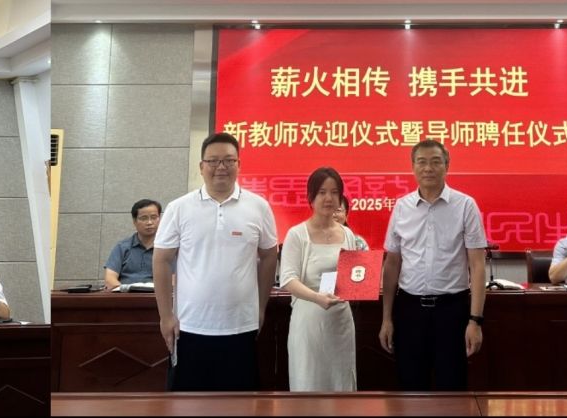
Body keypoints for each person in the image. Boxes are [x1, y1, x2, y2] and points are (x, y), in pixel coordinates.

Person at [152, 132, 279, 391]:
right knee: (189, 404)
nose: (221, 167)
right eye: (213, 161)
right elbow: (161, 260)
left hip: (241, 326)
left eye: (229, 160)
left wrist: (260, 307)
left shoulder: (259, 207)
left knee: (240, 403)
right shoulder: (179, 208)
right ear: (201, 166)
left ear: (239, 164)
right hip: (189, 327)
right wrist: (165, 316)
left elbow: (269, 255)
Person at [379, 139, 489, 391]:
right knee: (410, 386)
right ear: (413, 167)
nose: (428, 168)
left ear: (447, 166)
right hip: (409, 310)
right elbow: (392, 263)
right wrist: (386, 318)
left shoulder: (465, 205)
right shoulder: (402, 207)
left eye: (435, 161)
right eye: (422, 162)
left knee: (452, 387)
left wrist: (475, 321)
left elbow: (477, 265)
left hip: (451, 311)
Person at [278, 167, 366, 392]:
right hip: (309, 322)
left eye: (334, 192)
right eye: (322, 192)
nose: (329, 198)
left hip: (340, 322)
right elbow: (288, 279)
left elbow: (354, 275)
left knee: (341, 385)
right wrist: (317, 297)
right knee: (309, 383)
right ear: (311, 197)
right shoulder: (297, 234)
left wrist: (364, 283)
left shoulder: (347, 234)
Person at [104, 199, 162, 289]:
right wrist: (126, 293)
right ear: (134, 221)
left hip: (157, 295)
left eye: (154, 217)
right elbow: (110, 280)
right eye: (144, 218)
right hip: (126, 295)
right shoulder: (122, 247)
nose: (149, 222)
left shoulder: (167, 248)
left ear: (160, 219)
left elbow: (174, 279)